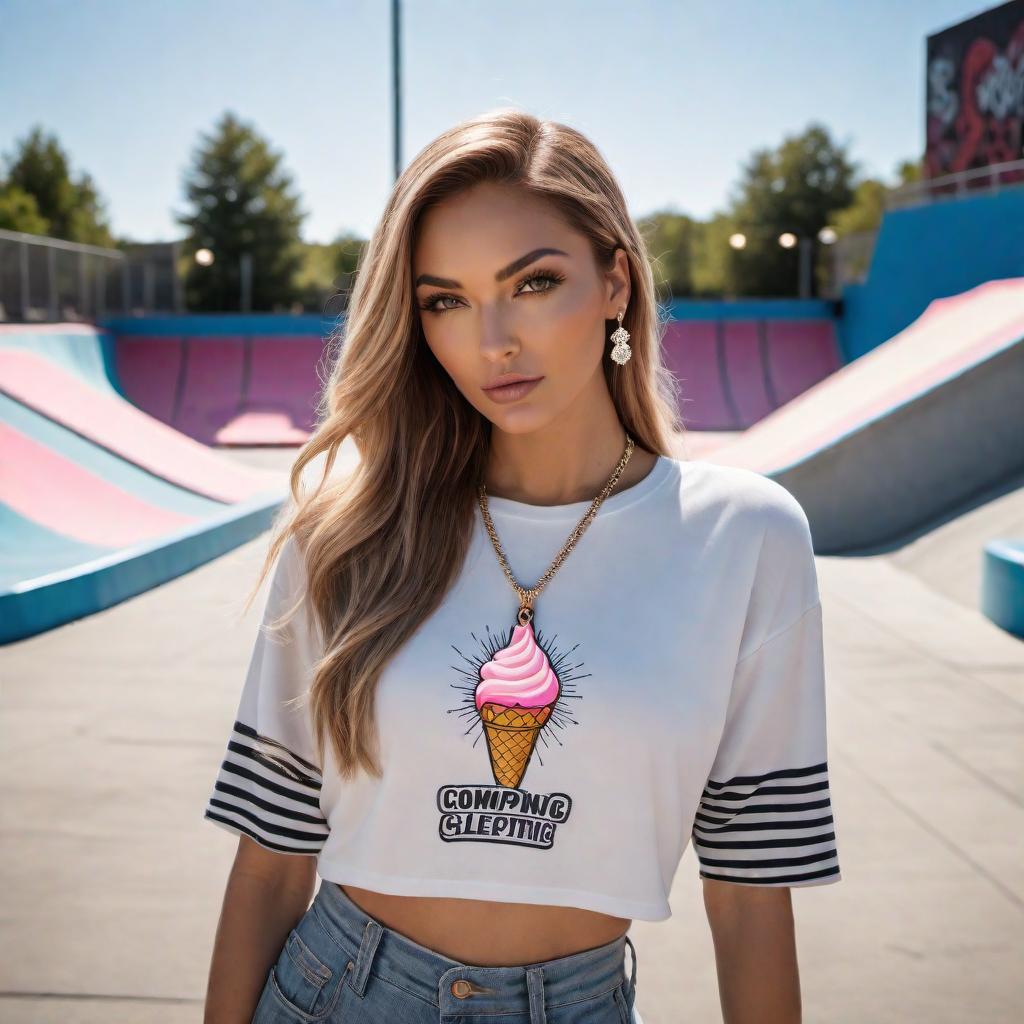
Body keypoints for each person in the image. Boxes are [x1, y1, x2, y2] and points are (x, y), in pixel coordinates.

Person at [202, 108, 841, 1024]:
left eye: (534, 283)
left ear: (615, 281)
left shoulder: (746, 540)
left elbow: (748, 900)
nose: (492, 340)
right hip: (337, 996)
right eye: (446, 301)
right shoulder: (346, 533)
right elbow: (269, 862)